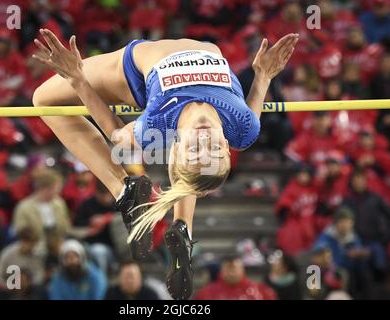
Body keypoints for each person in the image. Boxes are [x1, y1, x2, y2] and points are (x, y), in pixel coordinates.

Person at [32, 28, 298, 299]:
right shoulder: (243, 128)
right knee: (197, 168)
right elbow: (257, 92)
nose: (205, 138)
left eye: (195, 148)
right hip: (188, 67)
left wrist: (78, 80)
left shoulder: (157, 121)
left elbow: (117, 134)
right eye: (216, 148)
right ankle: (183, 226)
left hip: (135, 73)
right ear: (227, 148)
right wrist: (263, 74)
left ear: (179, 145)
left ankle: (124, 190)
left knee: (42, 99)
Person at [194, 255, 276, 300]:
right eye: (228, 269)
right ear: (221, 271)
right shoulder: (206, 293)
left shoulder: (261, 291)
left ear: (242, 269)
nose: (231, 273)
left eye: (234, 268)